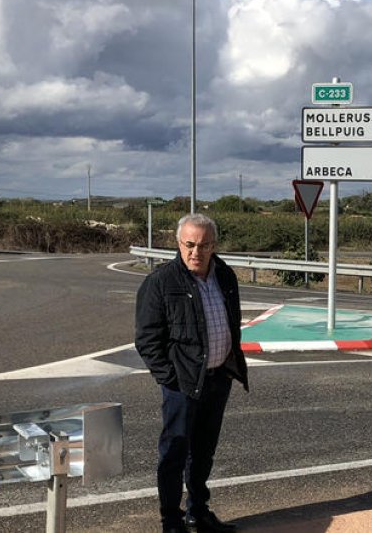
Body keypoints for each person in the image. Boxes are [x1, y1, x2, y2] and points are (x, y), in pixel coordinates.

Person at [136, 213, 249, 533]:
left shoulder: (225, 276)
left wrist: (228, 367)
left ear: (214, 245)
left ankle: (197, 513)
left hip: (218, 378)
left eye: (203, 245)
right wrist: (169, 378)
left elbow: (232, 322)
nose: (195, 252)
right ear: (178, 243)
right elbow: (146, 338)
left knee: (203, 453)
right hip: (182, 385)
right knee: (174, 453)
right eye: (189, 244)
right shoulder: (161, 281)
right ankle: (171, 521)